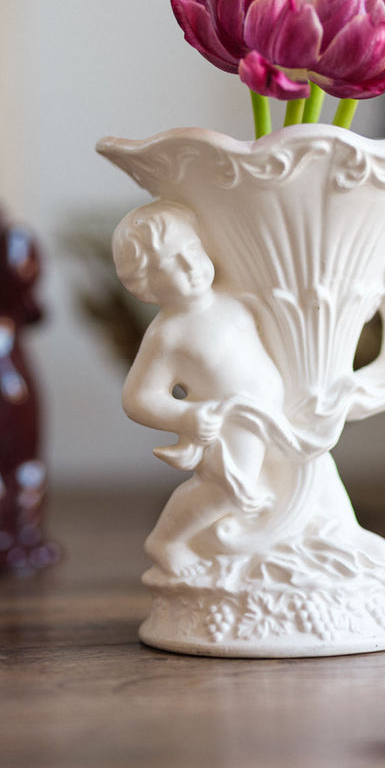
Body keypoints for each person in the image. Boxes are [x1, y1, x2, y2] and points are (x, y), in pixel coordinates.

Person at [113, 201, 287, 575]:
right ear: (143, 282)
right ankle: (167, 540)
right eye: (170, 264)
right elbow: (138, 397)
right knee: (225, 491)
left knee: (269, 482)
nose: (191, 266)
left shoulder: (235, 300)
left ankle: (256, 544)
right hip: (230, 424)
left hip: (268, 416)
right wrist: (188, 416)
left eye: (192, 250)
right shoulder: (168, 334)